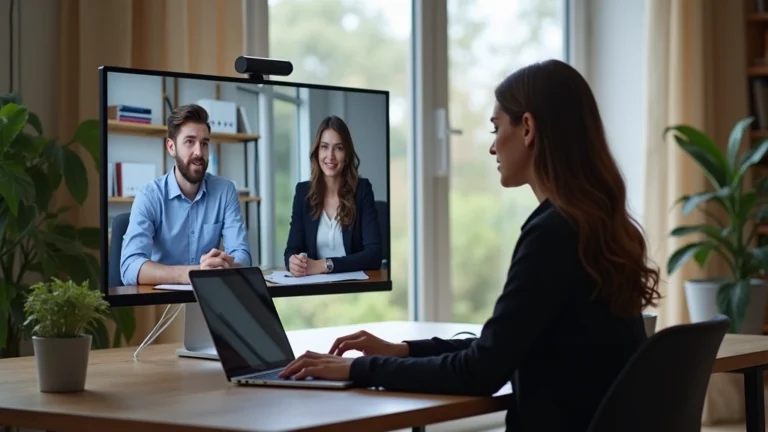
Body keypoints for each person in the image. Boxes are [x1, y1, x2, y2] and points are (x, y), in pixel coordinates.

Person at [277, 60, 662, 432]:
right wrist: (404, 350)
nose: (493, 147)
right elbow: (501, 347)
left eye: (496, 128)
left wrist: (357, 368)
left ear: (527, 128)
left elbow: (480, 371)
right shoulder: (593, 225)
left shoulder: (553, 235)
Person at [120, 104, 252, 286]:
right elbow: (129, 267)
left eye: (204, 143)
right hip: (161, 299)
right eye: (190, 142)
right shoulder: (149, 195)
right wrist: (193, 273)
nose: (199, 152)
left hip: (209, 295)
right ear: (171, 147)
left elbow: (242, 254)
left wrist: (227, 266)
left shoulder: (225, 191)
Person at [283, 115, 382, 277]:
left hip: (356, 286)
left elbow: (374, 255)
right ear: (317, 152)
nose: (330, 156)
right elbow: (291, 250)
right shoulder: (303, 192)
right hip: (316, 286)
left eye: (338, 148)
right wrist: (293, 263)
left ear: (347, 155)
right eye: (324, 147)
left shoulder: (362, 190)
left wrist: (324, 265)